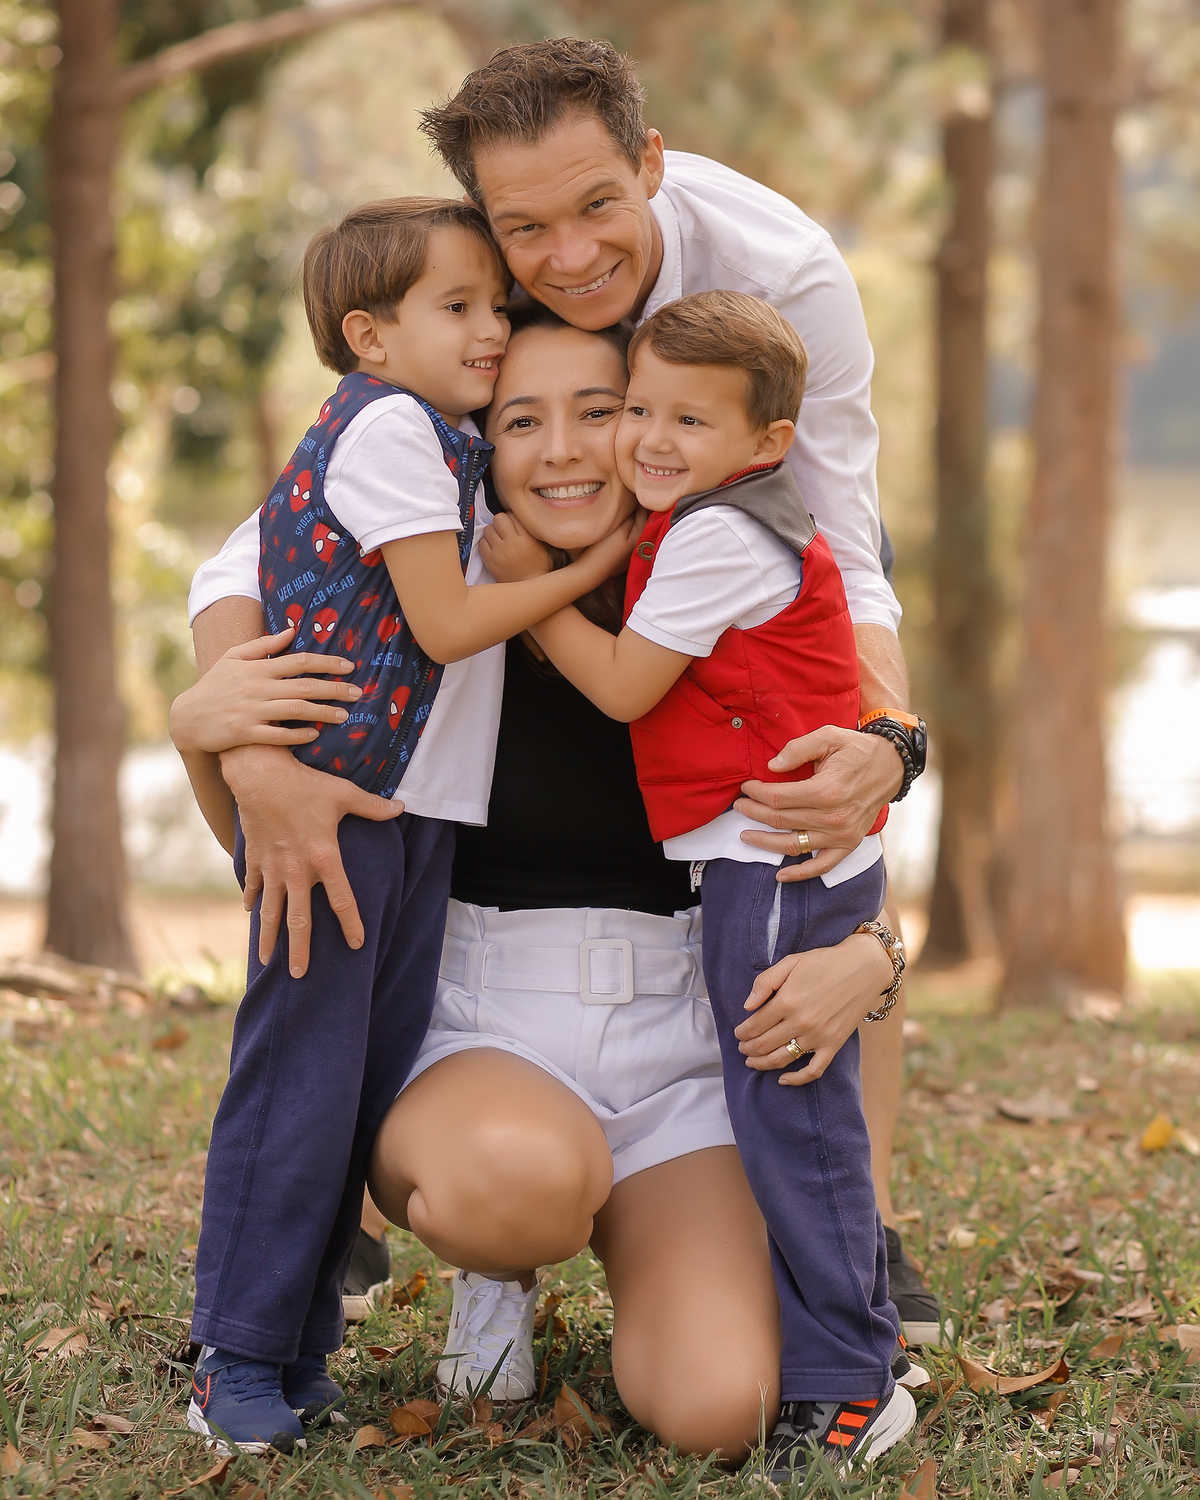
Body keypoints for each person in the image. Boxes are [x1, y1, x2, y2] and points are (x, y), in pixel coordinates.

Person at [187, 36, 943, 1349]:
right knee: (487, 1144)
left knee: (814, 792)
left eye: (601, 206)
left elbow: (841, 553)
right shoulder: (458, 409)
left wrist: (890, 750)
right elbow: (266, 544)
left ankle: (857, 1229)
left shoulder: (780, 289)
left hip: (675, 1018)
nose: (571, 255)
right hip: (494, 1008)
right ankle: (416, 1186)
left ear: (654, 164)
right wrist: (237, 737)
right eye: (524, 228)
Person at [174, 309, 922, 1466]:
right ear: (476, 443)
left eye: (605, 410)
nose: (567, 450)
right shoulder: (427, 574)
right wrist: (207, 739)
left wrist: (878, 953)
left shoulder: (725, 572)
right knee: (514, 1187)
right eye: (523, 420)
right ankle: (495, 1273)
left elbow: (835, 830)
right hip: (485, 1030)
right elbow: (246, 607)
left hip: (683, 1042)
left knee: (722, 1407)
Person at [181, 199, 633, 1457]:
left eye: (497, 305)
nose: (491, 329)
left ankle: (298, 1340)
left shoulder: (443, 441)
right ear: (366, 336)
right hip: (337, 809)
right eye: (460, 308)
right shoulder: (386, 427)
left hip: (413, 812)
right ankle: (237, 1349)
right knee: (298, 1079)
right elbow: (435, 624)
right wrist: (575, 578)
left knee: (357, 1081)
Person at [483, 290, 914, 1477]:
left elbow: (624, 689)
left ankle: (854, 1369)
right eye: (649, 412)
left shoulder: (719, 535)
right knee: (784, 1114)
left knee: (789, 1119)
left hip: (765, 863)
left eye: (677, 419)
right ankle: (852, 1339)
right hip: (755, 867)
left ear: (769, 443)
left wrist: (528, 591)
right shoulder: (718, 517)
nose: (647, 444)